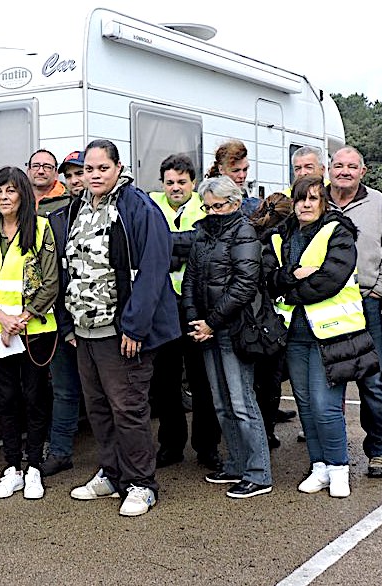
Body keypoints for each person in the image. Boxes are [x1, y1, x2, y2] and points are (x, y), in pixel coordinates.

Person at [55, 139, 179, 517]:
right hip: (85, 331)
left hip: (122, 332)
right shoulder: (76, 209)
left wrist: (135, 328)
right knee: (98, 409)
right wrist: (69, 324)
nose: (94, 175)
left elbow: (152, 271)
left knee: (128, 408)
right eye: (88, 170)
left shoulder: (137, 208)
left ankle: (142, 483)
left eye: (101, 168)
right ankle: (112, 475)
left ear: (118, 168)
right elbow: (67, 269)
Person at [264, 174, 379, 499]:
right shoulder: (280, 235)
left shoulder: (339, 233)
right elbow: (268, 278)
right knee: (305, 405)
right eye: (301, 198)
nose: (306, 205)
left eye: (313, 198)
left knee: (325, 405)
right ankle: (319, 466)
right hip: (295, 335)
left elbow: (331, 279)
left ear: (324, 201)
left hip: (332, 335)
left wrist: (289, 292)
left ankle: (339, 467)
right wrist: (290, 277)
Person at [0, 167, 59, 500]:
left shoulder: (41, 228)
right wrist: (2, 319)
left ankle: (34, 467)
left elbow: (51, 283)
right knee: (5, 401)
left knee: (34, 399)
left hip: (34, 331)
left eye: (10, 190)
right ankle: (12, 468)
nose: (4, 198)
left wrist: (20, 318)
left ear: (22, 193)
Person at [182, 175, 273, 498]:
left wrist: (211, 322)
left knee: (241, 400)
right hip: (207, 329)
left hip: (232, 330)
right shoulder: (204, 232)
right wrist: (195, 319)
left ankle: (258, 471)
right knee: (221, 402)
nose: (212, 212)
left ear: (235, 203)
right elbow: (191, 278)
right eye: (207, 206)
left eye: (217, 206)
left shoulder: (244, 231)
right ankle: (236, 462)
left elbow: (244, 285)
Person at [325, 146, 382, 478]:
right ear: (329, 169)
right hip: (323, 304)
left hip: (365, 301)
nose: (344, 171)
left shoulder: (378, 203)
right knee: (327, 379)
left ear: (362, 172)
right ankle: (327, 453)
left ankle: (379, 451)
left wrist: (379, 287)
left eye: (351, 166)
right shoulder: (316, 201)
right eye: (338, 165)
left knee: (372, 380)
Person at [146, 154, 222, 470]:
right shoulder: (151, 205)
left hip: (197, 306)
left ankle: (207, 447)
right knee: (164, 382)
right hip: (162, 307)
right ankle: (170, 445)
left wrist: (167, 249)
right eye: (170, 182)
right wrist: (178, 250)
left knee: (202, 381)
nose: (175, 188)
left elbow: (204, 243)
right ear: (162, 183)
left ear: (193, 182)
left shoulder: (203, 205)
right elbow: (145, 244)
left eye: (181, 182)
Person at [41, 150, 86, 476]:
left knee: (108, 396)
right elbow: (52, 276)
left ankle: (115, 459)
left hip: (104, 324)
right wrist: (65, 325)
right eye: (69, 176)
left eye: (80, 173)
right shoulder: (56, 221)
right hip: (65, 322)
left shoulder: (117, 214)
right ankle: (60, 452)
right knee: (65, 391)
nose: (75, 180)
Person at [247, 191, 294, 447]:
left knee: (258, 380)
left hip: (254, 318)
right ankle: (266, 431)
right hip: (272, 319)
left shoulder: (250, 232)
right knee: (270, 380)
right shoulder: (278, 240)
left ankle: (262, 428)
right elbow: (273, 280)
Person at [208, 140, 259, 216]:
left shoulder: (247, 201)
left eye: (245, 169)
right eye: (235, 170)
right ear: (221, 169)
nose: (242, 175)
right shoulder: (208, 198)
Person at [28, 149, 72, 216]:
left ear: (56, 174)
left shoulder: (70, 200)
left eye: (47, 167)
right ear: (28, 171)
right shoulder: (16, 197)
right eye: (35, 166)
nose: (41, 171)